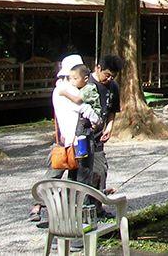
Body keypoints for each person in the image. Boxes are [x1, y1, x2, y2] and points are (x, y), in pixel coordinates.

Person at [30, 54, 101, 223]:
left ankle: (51, 211)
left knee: (57, 176)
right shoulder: (69, 91)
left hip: (64, 141)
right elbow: (86, 110)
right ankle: (78, 220)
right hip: (79, 142)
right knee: (80, 180)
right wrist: (97, 121)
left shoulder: (58, 90)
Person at [87, 54, 123, 214]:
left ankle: (97, 206)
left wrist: (109, 127)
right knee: (81, 171)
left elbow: (112, 111)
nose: (109, 79)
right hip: (83, 134)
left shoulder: (113, 87)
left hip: (99, 135)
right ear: (98, 68)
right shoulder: (86, 83)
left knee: (100, 169)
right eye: (106, 74)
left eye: (112, 76)